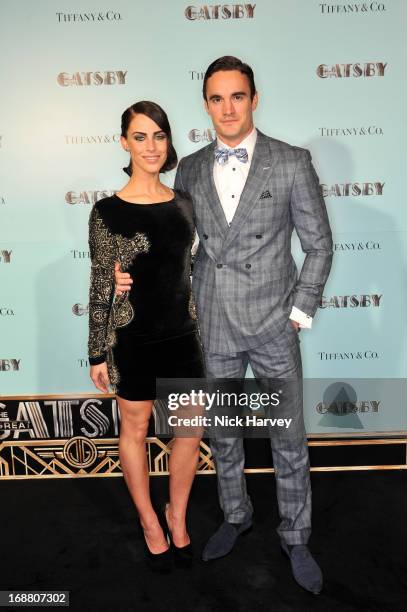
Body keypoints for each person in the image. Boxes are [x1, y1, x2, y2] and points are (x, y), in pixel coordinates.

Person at [115, 57, 333, 594]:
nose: (227, 108)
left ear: (254, 100)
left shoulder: (291, 162)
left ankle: (296, 532)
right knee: (224, 433)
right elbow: (173, 246)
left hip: (274, 320)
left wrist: (299, 310)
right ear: (206, 105)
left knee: (287, 434)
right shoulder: (186, 168)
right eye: (216, 99)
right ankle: (235, 514)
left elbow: (319, 245)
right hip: (212, 321)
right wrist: (129, 279)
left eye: (237, 97)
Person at [88, 100, 205, 572]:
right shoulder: (106, 212)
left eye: (159, 135)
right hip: (131, 338)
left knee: (190, 432)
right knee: (133, 430)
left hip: (182, 336)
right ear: (124, 142)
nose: (151, 146)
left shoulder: (185, 205)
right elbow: (100, 283)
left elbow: (193, 269)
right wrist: (96, 351)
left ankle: (177, 513)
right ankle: (148, 521)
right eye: (141, 136)